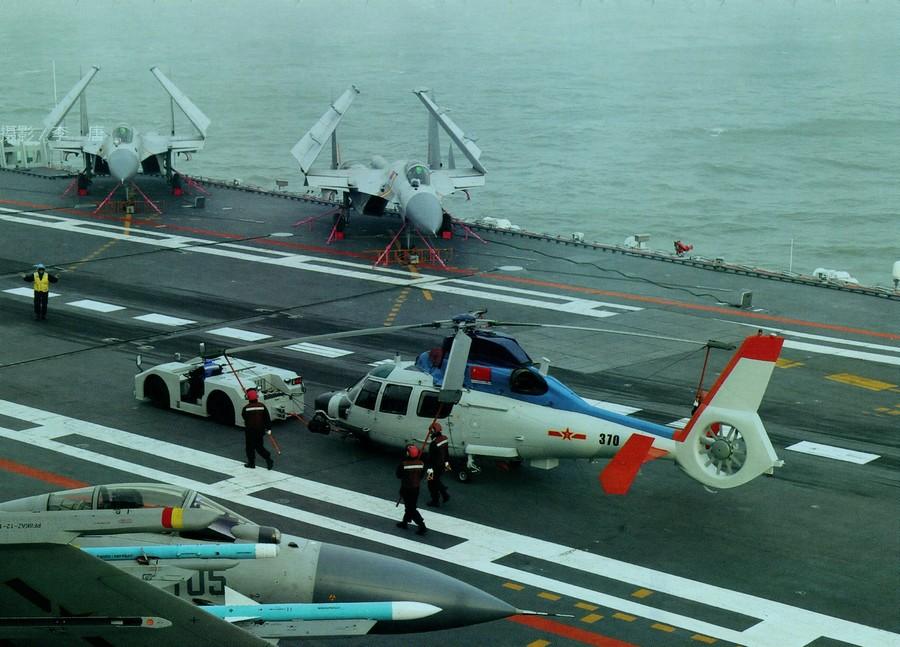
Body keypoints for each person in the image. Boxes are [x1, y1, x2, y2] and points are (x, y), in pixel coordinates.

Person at [396, 445, 427, 535]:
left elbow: (398, 475)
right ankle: (405, 522)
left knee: (411, 508)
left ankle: (422, 526)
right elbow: (421, 475)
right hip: (416, 488)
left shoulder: (404, 464)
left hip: (406, 488)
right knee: (410, 506)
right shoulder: (421, 463)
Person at [241, 389, 274, 470]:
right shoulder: (262, 406)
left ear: (248, 398)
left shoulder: (246, 408)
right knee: (259, 447)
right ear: (257, 397)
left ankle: (251, 463)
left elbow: (244, 417)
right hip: (260, 431)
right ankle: (268, 459)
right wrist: (269, 428)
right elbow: (267, 418)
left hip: (250, 431)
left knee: (249, 448)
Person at [425, 421, 451, 507]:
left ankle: (436, 500)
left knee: (430, 483)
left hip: (433, 467)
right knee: (436, 480)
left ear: (433, 432)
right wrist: (447, 466)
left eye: (430, 431)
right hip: (442, 465)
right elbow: (446, 453)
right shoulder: (444, 439)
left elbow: (430, 458)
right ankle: (444, 493)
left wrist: (426, 467)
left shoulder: (433, 443)